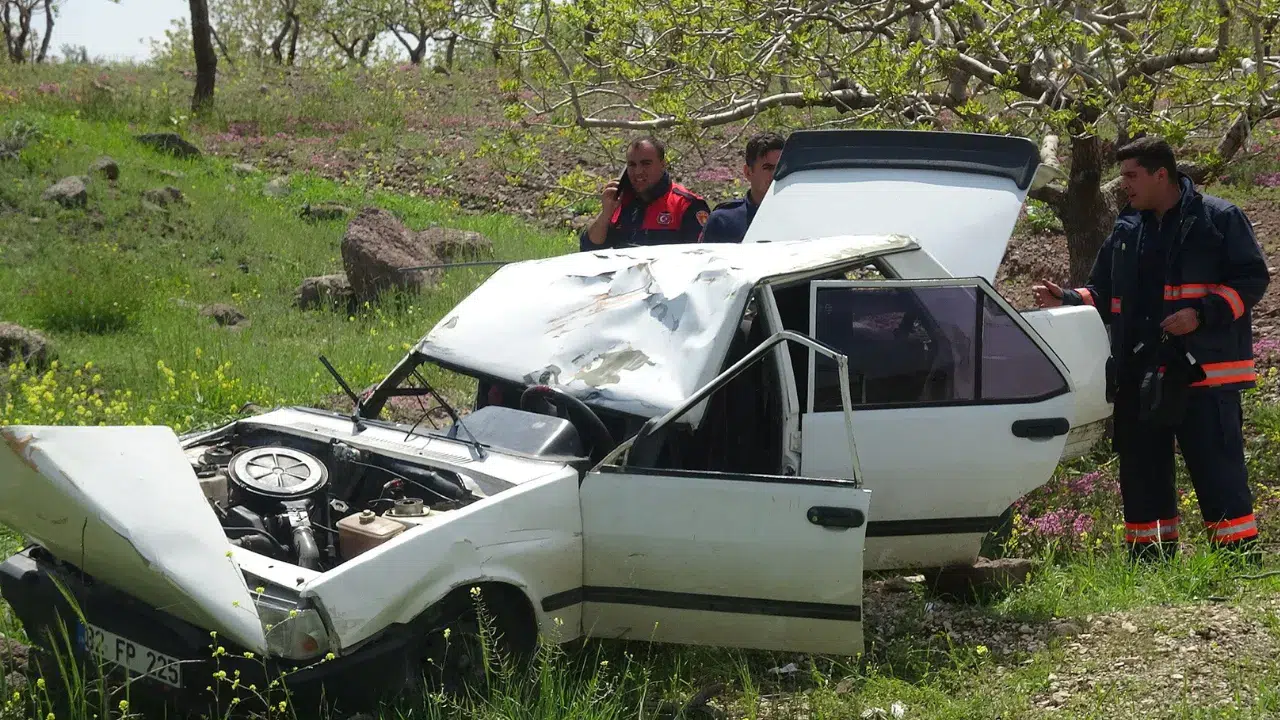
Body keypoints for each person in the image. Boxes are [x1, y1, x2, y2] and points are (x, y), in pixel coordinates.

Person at [1033, 136, 1270, 563]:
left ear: (1161, 174)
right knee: (1142, 475)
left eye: (1131, 175)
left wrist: (1201, 314)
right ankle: (1151, 566)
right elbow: (1104, 293)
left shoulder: (1218, 219)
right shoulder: (1127, 229)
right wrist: (1066, 298)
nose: (1123, 185)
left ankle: (1238, 565)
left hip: (1205, 375)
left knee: (1219, 472)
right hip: (1141, 375)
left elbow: (1252, 280)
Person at [579, 136, 710, 251]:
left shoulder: (686, 205)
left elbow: (701, 258)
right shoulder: (619, 201)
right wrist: (606, 213)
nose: (638, 172)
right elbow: (589, 248)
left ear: (663, 164)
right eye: (632, 165)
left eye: (646, 164)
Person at [699, 132, 785, 244]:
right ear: (748, 172)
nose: (775, 174)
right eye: (767, 168)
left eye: (780, 167)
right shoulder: (723, 221)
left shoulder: (801, 216)